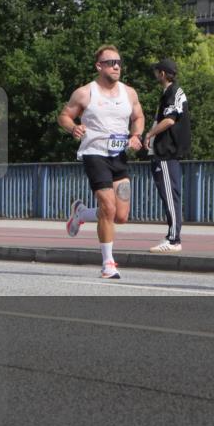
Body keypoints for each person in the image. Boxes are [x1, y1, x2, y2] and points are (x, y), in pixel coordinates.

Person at [60, 46, 145, 280]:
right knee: (107, 206)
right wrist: (73, 127)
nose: (117, 66)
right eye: (111, 62)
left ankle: (81, 213)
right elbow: (65, 115)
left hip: (119, 156)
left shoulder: (129, 93)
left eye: (119, 61)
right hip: (94, 153)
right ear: (99, 66)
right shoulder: (85, 93)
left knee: (121, 216)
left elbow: (138, 117)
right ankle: (108, 264)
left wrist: (135, 135)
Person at [144, 59, 191, 253]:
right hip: (164, 152)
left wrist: (150, 134)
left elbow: (170, 120)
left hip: (166, 152)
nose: (155, 74)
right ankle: (172, 236)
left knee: (170, 195)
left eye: (157, 71)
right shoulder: (170, 92)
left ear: (163, 74)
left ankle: (173, 239)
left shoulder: (173, 92)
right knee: (170, 195)